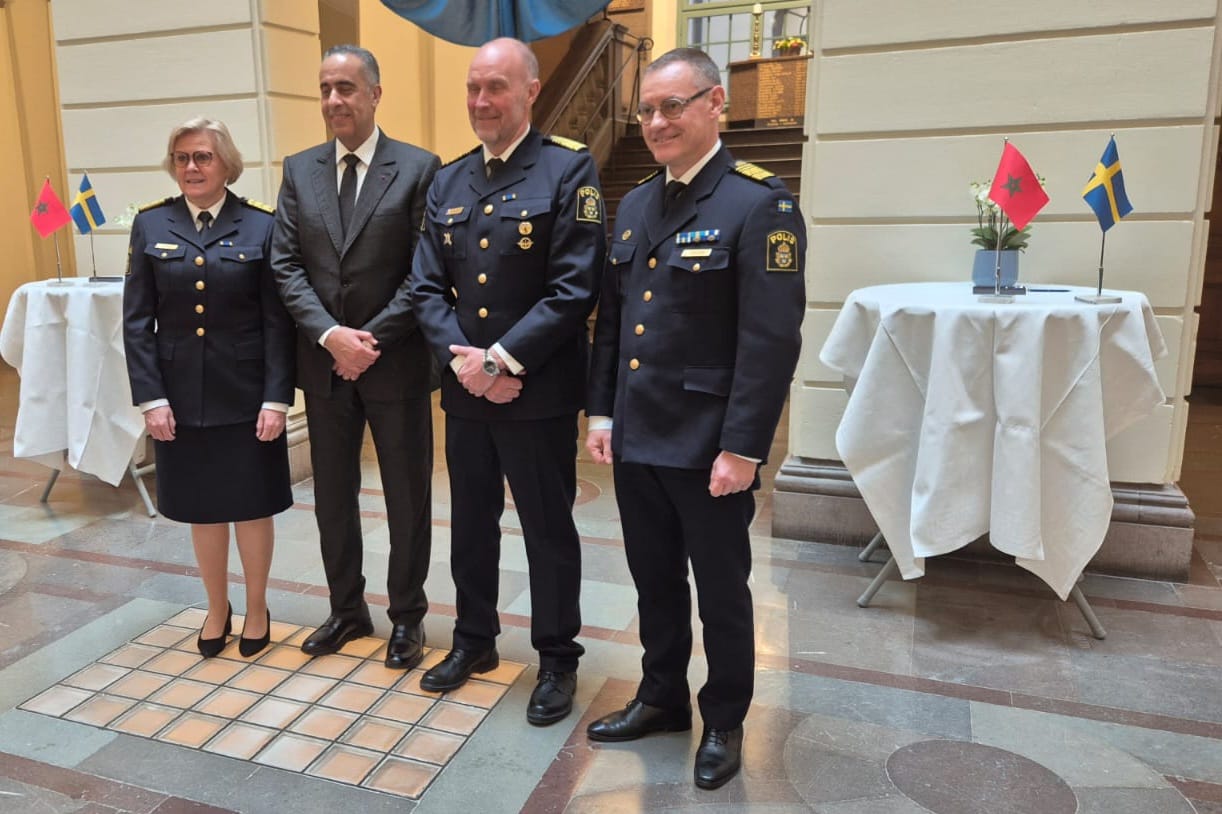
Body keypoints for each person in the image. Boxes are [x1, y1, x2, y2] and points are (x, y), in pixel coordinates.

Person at [583, 48, 806, 789]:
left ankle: (726, 718)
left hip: (710, 444)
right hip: (639, 435)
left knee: (721, 590)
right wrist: (602, 412)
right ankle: (661, 697)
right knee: (653, 581)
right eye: (647, 109)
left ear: (715, 104)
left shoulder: (759, 204)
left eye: (672, 106)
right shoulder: (637, 204)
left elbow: (770, 341)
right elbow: (613, 325)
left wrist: (743, 447)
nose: (656, 122)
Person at [410, 37, 605, 726]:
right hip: (468, 393)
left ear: (530, 91)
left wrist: (498, 362)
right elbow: (426, 286)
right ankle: (474, 639)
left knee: (547, 529)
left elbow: (574, 287)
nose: (481, 100)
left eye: (496, 87)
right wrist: (469, 366)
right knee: (470, 524)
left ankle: (557, 657)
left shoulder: (567, 169)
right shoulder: (448, 180)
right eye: (473, 87)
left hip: (537, 392)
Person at [272, 45, 441, 670]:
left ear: (374, 93)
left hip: (394, 363)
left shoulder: (418, 168)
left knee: (406, 497)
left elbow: (426, 271)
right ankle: (346, 610)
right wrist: (330, 336)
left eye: (345, 87)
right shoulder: (300, 170)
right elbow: (286, 264)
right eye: (325, 88)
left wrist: (367, 340)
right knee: (333, 497)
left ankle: (407, 616)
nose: (333, 100)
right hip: (325, 367)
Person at [123, 117, 295, 660]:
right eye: (182, 158)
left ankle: (258, 607)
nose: (191, 167)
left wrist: (276, 398)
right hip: (180, 399)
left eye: (202, 157)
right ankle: (217, 607)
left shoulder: (261, 226)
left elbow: (278, 322)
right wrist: (152, 399)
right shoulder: (152, 224)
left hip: (246, 396)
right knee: (203, 509)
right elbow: (136, 321)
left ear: (226, 164)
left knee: (252, 505)